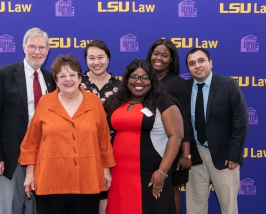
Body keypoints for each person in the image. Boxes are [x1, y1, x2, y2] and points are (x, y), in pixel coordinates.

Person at [18, 54, 116, 214]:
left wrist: (106, 171)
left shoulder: (94, 102)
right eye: (62, 76)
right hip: (50, 181)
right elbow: (32, 142)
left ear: (79, 77)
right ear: (56, 81)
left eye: (72, 74)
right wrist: (30, 174)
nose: (68, 79)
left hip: (87, 179)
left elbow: (103, 140)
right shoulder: (45, 102)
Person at [0, 27, 55, 214]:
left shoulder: (51, 79)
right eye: (32, 46)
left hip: (43, 156)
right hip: (11, 157)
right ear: (23, 47)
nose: (37, 52)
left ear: (48, 50)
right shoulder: (3, 74)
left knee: (39, 209)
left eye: (41, 47)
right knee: (10, 209)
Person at [104, 59, 184, 214]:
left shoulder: (163, 102)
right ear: (127, 79)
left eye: (145, 77)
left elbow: (176, 136)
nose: (139, 81)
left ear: (152, 80)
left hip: (152, 174)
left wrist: (162, 171)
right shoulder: (115, 102)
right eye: (134, 77)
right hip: (119, 175)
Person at [185, 48, 248, 214]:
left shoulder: (228, 85)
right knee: (194, 206)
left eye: (201, 61)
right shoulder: (185, 88)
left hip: (224, 155)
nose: (197, 66)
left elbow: (240, 121)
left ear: (210, 63)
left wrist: (234, 155)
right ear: (188, 69)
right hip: (195, 155)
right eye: (192, 63)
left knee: (228, 207)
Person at [146, 38, 201, 214]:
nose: (159, 58)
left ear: (171, 60)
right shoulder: (144, 80)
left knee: (172, 188)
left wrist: (186, 153)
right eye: (156, 54)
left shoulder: (178, 83)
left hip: (173, 145)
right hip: (149, 145)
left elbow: (185, 117)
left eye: (164, 55)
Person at [80, 39, 120, 213]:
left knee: (106, 195)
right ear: (86, 60)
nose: (96, 62)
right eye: (91, 58)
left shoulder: (121, 86)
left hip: (112, 150)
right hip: (81, 149)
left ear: (108, 59)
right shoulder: (75, 83)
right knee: (84, 198)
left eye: (100, 57)